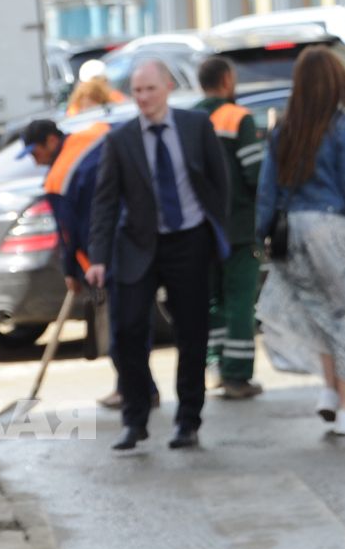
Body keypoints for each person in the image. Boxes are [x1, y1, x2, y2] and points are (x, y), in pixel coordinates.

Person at [87, 59, 231, 452]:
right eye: (137, 91)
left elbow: (219, 182)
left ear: (167, 87)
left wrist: (219, 234)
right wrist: (97, 257)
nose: (143, 98)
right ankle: (135, 419)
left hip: (189, 241)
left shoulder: (195, 127)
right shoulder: (121, 140)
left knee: (192, 332)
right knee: (128, 331)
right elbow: (104, 202)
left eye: (150, 89)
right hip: (138, 244)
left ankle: (188, 421)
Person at [254, 48, 345, 436]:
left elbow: (267, 192)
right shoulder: (344, 127)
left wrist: (261, 236)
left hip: (292, 231)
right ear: (334, 83)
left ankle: (331, 394)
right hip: (330, 229)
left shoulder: (284, 129)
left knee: (319, 314)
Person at [23, 116, 152, 404]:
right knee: (132, 324)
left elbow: (68, 232)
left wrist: (71, 270)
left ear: (52, 141)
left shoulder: (58, 177)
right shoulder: (99, 132)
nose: (34, 160)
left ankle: (135, 390)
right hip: (140, 239)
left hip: (106, 256)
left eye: (35, 152)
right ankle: (139, 387)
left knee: (119, 327)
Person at [196, 57, 268, 399]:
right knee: (240, 301)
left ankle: (215, 366)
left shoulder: (190, 118)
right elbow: (255, 175)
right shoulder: (238, 118)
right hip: (238, 228)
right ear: (226, 80)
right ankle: (237, 375)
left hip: (201, 230)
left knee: (214, 302)